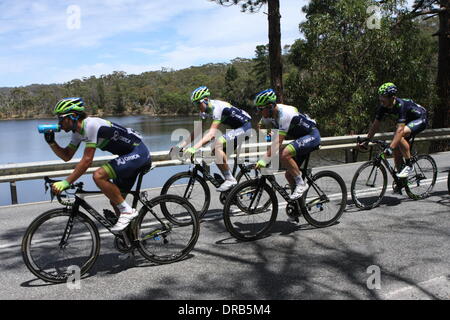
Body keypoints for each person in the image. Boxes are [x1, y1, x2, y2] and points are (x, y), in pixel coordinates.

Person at [45, 97, 151, 232]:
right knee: (116, 201)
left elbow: (87, 160)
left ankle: (128, 212)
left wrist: (66, 182)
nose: (59, 122)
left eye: (61, 118)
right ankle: (132, 242)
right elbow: (67, 156)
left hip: (138, 153)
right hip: (128, 156)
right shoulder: (77, 133)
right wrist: (52, 143)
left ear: (72, 116)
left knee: (99, 175)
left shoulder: (91, 125)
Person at [176, 86, 252, 192]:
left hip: (245, 127)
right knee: (215, 152)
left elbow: (211, 134)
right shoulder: (204, 111)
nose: (197, 106)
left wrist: (194, 148)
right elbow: (197, 131)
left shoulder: (218, 108)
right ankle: (232, 188)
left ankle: (230, 179)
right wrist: (179, 146)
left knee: (216, 144)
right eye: (194, 104)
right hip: (235, 129)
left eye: (198, 103)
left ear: (206, 100)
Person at [254, 89, 321, 200]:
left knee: (284, 154)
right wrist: (267, 135)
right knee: (289, 175)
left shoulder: (284, 114)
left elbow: (277, 143)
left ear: (270, 106)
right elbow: (260, 127)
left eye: (260, 109)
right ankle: (298, 206)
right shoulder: (268, 115)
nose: (259, 112)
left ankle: (301, 184)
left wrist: (264, 160)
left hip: (312, 135)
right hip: (300, 139)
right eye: (257, 109)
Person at [361, 82, 428, 178]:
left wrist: (390, 148)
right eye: (380, 96)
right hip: (408, 121)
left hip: (420, 118)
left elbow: (400, 131)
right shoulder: (383, 107)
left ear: (392, 97)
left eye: (383, 96)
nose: (381, 99)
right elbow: (375, 125)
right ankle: (400, 179)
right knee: (396, 149)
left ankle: (409, 165)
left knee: (398, 135)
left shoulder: (401, 105)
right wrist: (367, 140)